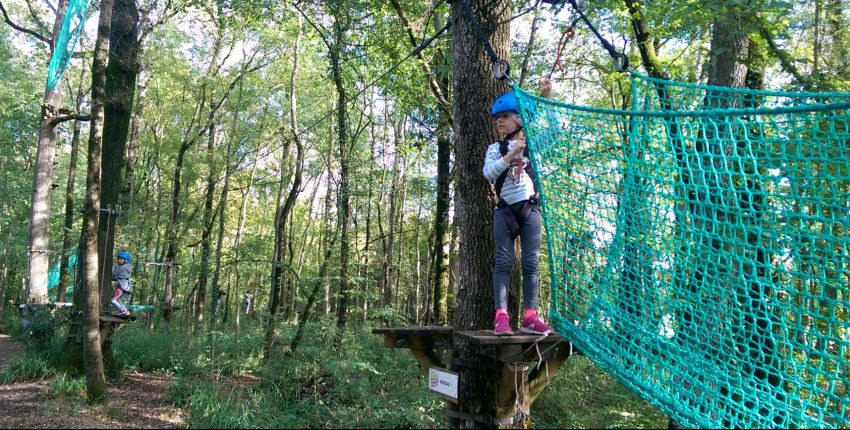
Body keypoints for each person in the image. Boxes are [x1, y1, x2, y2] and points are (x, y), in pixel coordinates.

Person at [482, 79, 553, 336]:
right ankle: (501, 316)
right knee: (503, 261)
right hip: (504, 211)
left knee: (531, 263)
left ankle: (530, 316)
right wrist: (512, 154)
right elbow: (489, 173)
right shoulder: (495, 148)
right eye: (497, 118)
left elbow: (552, 133)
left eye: (505, 117)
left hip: (530, 209)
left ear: (519, 120)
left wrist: (545, 99)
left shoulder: (532, 144)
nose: (499, 121)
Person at [111, 250, 133, 318]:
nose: (119, 260)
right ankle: (126, 311)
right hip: (126, 286)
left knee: (112, 299)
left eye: (121, 259)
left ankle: (123, 310)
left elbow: (114, 273)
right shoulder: (127, 267)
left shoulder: (123, 267)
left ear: (125, 260)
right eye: (119, 258)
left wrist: (113, 266)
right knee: (118, 299)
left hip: (122, 286)